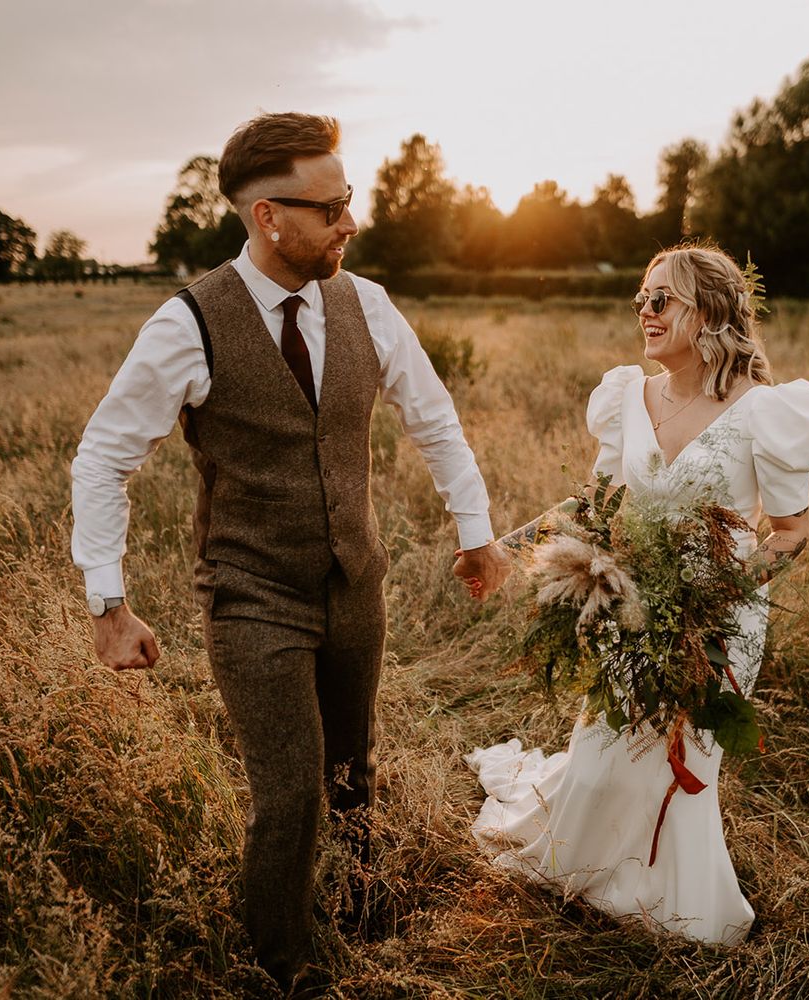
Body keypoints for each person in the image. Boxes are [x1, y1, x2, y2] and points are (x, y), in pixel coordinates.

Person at [71, 112, 510, 993]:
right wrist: (108, 604)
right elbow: (104, 456)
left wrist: (475, 531)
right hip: (250, 594)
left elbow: (434, 418)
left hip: (357, 583)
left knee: (353, 768)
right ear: (269, 216)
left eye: (352, 200)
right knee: (291, 792)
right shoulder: (187, 324)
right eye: (333, 206)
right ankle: (285, 967)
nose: (352, 221)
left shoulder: (368, 304)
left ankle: (359, 908)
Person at [466, 244, 809, 945]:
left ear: (711, 312)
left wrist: (716, 598)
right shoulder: (626, 396)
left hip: (719, 619)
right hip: (631, 606)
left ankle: (673, 904)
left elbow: (789, 533)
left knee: (680, 763)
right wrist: (504, 550)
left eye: (660, 300)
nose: (645, 312)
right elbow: (595, 503)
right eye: (640, 298)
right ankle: (583, 863)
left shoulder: (767, 413)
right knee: (604, 761)